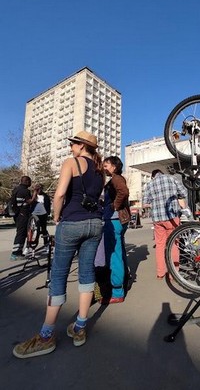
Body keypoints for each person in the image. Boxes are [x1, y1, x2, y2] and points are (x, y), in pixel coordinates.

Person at [13, 131, 104, 358]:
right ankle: (80, 327)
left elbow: (60, 194)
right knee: (86, 273)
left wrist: (56, 216)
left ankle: (46, 336)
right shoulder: (100, 170)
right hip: (95, 224)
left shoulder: (71, 162)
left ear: (82, 146)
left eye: (73, 143)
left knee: (59, 275)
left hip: (72, 223)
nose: (71, 147)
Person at [95, 156, 131, 304]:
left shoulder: (116, 178)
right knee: (120, 253)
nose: (104, 167)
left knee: (114, 256)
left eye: (106, 165)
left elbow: (124, 191)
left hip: (114, 220)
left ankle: (117, 291)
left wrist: (114, 206)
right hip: (119, 220)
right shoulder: (115, 179)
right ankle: (122, 283)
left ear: (114, 166)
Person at [142, 169, 190, 279]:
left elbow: (145, 203)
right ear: (161, 173)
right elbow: (184, 193)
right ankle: (173, 274)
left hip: (158, 219)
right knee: (174, 245)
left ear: (153, 176)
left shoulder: (150, 184)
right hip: (172, 217)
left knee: (160, 245)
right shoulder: (171, 179)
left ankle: (160, 273)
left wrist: (155, 203)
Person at [10, 176, 38, 261]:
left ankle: (19, 252)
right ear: (26, 181)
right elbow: (30, 201)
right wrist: (35, 193)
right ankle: (15, 254)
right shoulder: (25, 191)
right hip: (23, 214)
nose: (30, 183)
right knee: (21, 233)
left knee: (22, 232)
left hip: (17, 214)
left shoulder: (16, 189)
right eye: (29, 181)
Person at [23, 183, 51, 256]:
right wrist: (34, 193)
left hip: (43, 214)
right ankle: (28, 246)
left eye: (40, 189)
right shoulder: (32, 196)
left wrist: (48, 213)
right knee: (31, 230)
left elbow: (48, 205)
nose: (39, 190)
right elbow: (29, 203)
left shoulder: (45, 196)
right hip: (34, 214)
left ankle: (46, 245)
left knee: (44, 230)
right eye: (37, 189)